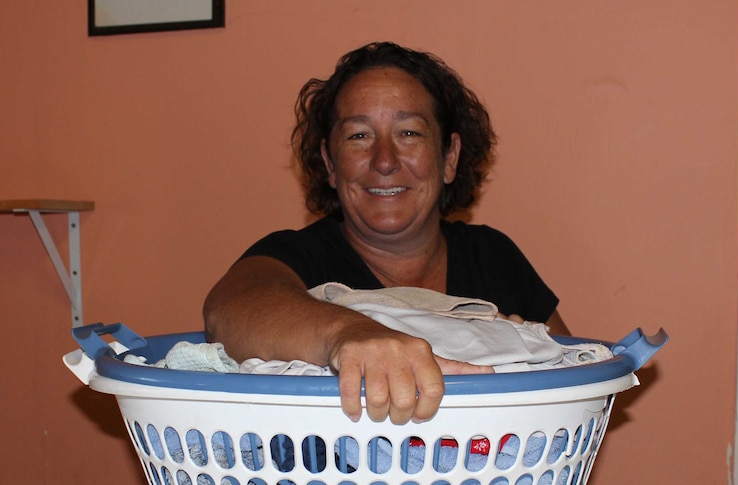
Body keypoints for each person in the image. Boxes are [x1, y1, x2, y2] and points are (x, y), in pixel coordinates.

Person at [203, 41, 569, 426]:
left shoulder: (493, 255)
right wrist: (350, 333)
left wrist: (523, 352)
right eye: (359, 136)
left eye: (409, 133)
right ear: (330, 162)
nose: (384, 161)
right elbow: (227, 310)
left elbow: (572, 379)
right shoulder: (295, 256)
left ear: (449, 157)